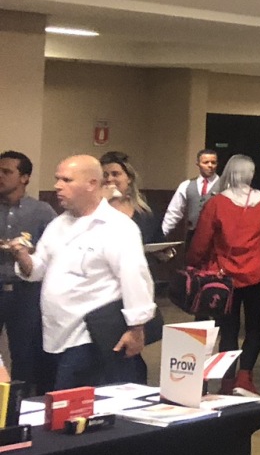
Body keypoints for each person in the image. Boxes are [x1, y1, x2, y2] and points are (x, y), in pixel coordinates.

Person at [5, 156, 156, 388]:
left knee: (75, 399)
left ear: (92, 184)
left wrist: (137, 329)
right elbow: (37, 270)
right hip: (54, 333)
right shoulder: (58, 224)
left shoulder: (118, 227)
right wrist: (22, 256)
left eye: (66, 180)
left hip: (91, 335)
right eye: (57, 179)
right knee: (53, 397)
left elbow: (135, 278)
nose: (57, 186)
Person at [187, 154, 260, 395]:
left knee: (229, 330)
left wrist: (191, 264)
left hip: (224, 276)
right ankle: (245, 378)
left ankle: (227, 380)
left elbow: (201, 242)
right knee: (254, 327)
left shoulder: (216, 203)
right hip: (259, 273)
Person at [0, 151, 55, 391]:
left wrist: (26, 250)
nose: (0, 176)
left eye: (6, 172)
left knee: (24, 352)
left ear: (24, 177)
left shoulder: (42, 211)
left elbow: (53, 250)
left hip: (25, 291)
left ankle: (21, 401)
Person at [99, 151, 162, 243]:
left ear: (129, 178)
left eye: (115, 174)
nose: (109, 179)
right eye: (105, 175)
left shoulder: (145, 213)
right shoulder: (92, 210)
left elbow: (158, 242)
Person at [160, 148, 221, 237]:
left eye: (213, 162)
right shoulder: (186, 185)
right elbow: (174, 212)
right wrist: (162, 233)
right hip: (192, 236)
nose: (210, 165)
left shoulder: (225, 186)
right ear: (198, 164)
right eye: (206, 162)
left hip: (216, 237)